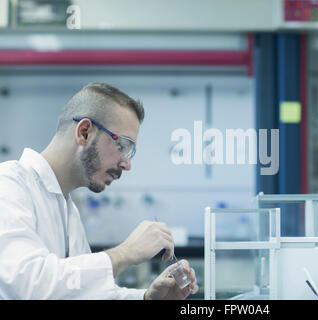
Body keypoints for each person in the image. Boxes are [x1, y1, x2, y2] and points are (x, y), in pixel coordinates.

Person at [0, 82, 198, 299]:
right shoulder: (9, 183)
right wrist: (126, 252)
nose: (127, 164)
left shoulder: (67, 209)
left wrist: (147, 297)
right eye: (122, 145)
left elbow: (79, 293)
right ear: (84, 132)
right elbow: (28, 284)